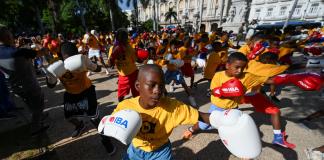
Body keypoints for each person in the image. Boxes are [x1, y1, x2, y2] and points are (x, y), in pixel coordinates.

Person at [183, 52, 295, 149]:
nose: (240, 70)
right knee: (204, 125)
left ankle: (242, 149)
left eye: (243, 68)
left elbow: (269, 80)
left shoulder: (247, 76)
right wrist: (225, 91)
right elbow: (213, 92)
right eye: (237, 67)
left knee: (237, 128)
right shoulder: (218, 76)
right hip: (217, 107)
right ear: (228, 65)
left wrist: (294, 78)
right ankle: (191, 129)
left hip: (233, 107)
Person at [112, 64, 210, 160]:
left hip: (161, 152)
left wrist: (223, 117)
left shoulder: (173, 108)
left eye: (161, 86)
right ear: (138, 86)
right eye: (151, 85)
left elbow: (202, 116)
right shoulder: (125, 107)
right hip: (135, 149)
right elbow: (110, 123)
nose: (157, 91)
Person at [45, 42, 116, 155]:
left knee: (95, 119)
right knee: (69, 117)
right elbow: (51, 86)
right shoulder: (56, 65)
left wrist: (89, 63)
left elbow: (97, 69)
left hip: (86, 92)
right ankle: (80, 125)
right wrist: (50, 76)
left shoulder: (81, 59)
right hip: (70, 94)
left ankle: (106, 140)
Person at [0, 25, 49, 135]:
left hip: (14, 85)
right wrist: (42, 47)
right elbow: (41, 52)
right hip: (28, 83)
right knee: (39, 102)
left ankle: (38, 115)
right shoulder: (20, 52)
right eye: (11, 35)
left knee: (30, 102)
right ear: (8, 36)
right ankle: (35, 126)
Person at [108, 28, 139, 102]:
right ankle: (120, 108)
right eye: (122, 38)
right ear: (118, 38)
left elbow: (137, 60)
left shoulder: (129, 47)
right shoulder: (113, 48)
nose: (125, 39)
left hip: (133, 73)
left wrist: (142, 55)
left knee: (136, 94)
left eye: (125, 37)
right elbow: (110, 65)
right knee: (120, 96)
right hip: (123, 75)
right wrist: (113, 56)